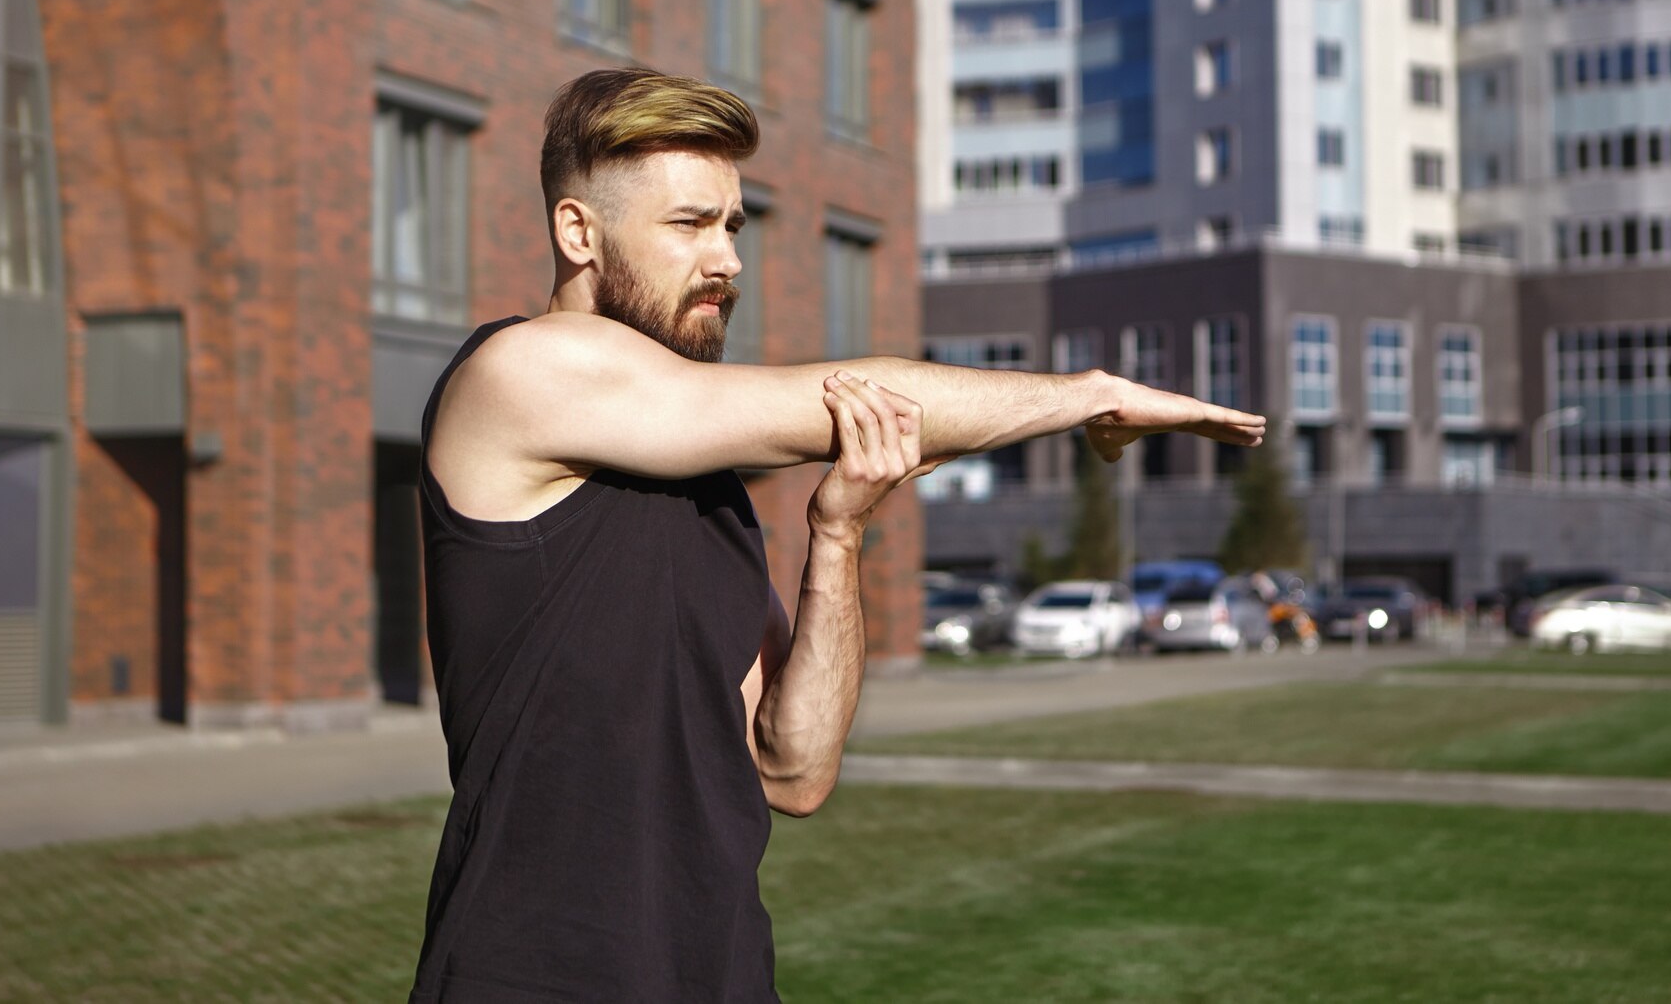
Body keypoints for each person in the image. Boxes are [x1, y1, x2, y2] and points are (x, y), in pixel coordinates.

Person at [407, 67, 1266, 1002]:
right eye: (690, 225)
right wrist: (1089, 395)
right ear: (579, 231)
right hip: (532, 975)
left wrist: (838, 534)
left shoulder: (704, 486)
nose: (728, 259)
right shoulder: (518, 371)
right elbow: (848, 398)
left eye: (733, 227)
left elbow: (794, 766)